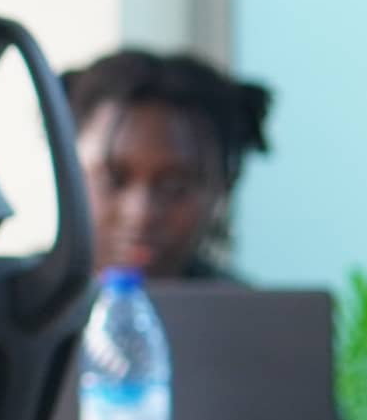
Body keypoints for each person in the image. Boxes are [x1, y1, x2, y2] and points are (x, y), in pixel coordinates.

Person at [59, 48, 275, 281]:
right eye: (114, 180)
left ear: (224, 186)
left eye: (175, 186)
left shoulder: (256, 315)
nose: (141, 214)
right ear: (66, 174)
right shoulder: (17, 302)